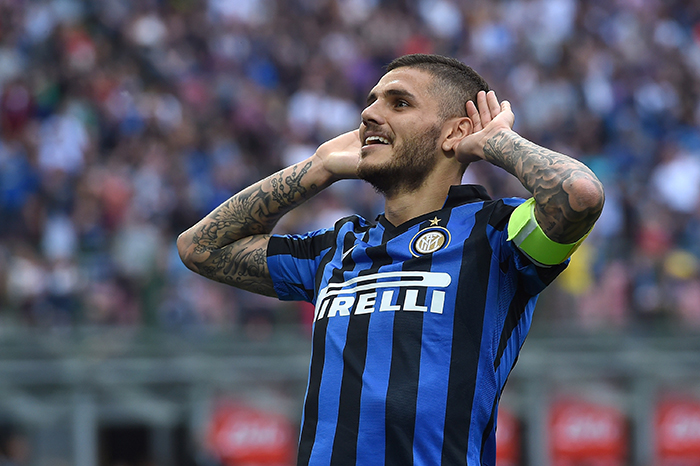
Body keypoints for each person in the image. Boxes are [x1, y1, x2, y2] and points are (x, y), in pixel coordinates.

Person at [177, 54, 604, 466]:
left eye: (399, 103)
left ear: (455, 132)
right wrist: (319, 166)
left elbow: (580, 196)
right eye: (371, 101)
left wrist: (497, 142)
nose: (369, 114)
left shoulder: (498, 234)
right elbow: (201, 248)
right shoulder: (338, 247)